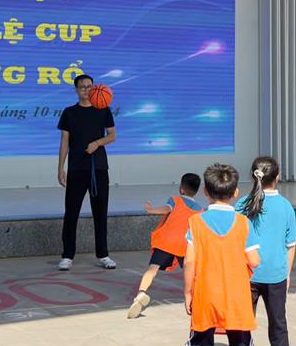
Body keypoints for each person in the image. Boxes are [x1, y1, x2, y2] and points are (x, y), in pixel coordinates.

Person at [169, 162, 265, 346]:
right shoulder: (243, 223)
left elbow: (189, 262)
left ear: (206, 193)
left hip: (206, 296)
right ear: (235, 193)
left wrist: (187, 292)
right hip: (237, 298)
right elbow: (254, 259)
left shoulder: (196, 222)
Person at [241, 155, 296, 346]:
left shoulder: (242, 204)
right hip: (276, 274)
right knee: (278, 320)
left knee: (242, 322)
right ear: (278, 177)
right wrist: (287, 273)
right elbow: (290, 245)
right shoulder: (285, 206)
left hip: (246, 273)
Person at [57, 72, 116, 271]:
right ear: (76, 90)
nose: (86, 90)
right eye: (82, 87)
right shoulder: (69, 113)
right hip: (76, 168)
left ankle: (103, 254)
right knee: (71, 212)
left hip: (98, 168)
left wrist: (97, 143)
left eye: (89, 87)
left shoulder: (103, 110)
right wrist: (61, 168)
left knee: (100, 212)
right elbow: (64, 142)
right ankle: (67, 256)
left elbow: (112, 135)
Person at [127, 171, 201, 319]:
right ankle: (197, 299)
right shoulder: (199, 209)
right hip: (185, 245)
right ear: (197, 191)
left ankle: (141, 293)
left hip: (166, 242)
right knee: (192, 273)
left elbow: (166, 209)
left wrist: (152, 209)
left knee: (152, 269)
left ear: (181, 189)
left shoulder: (175, 200)